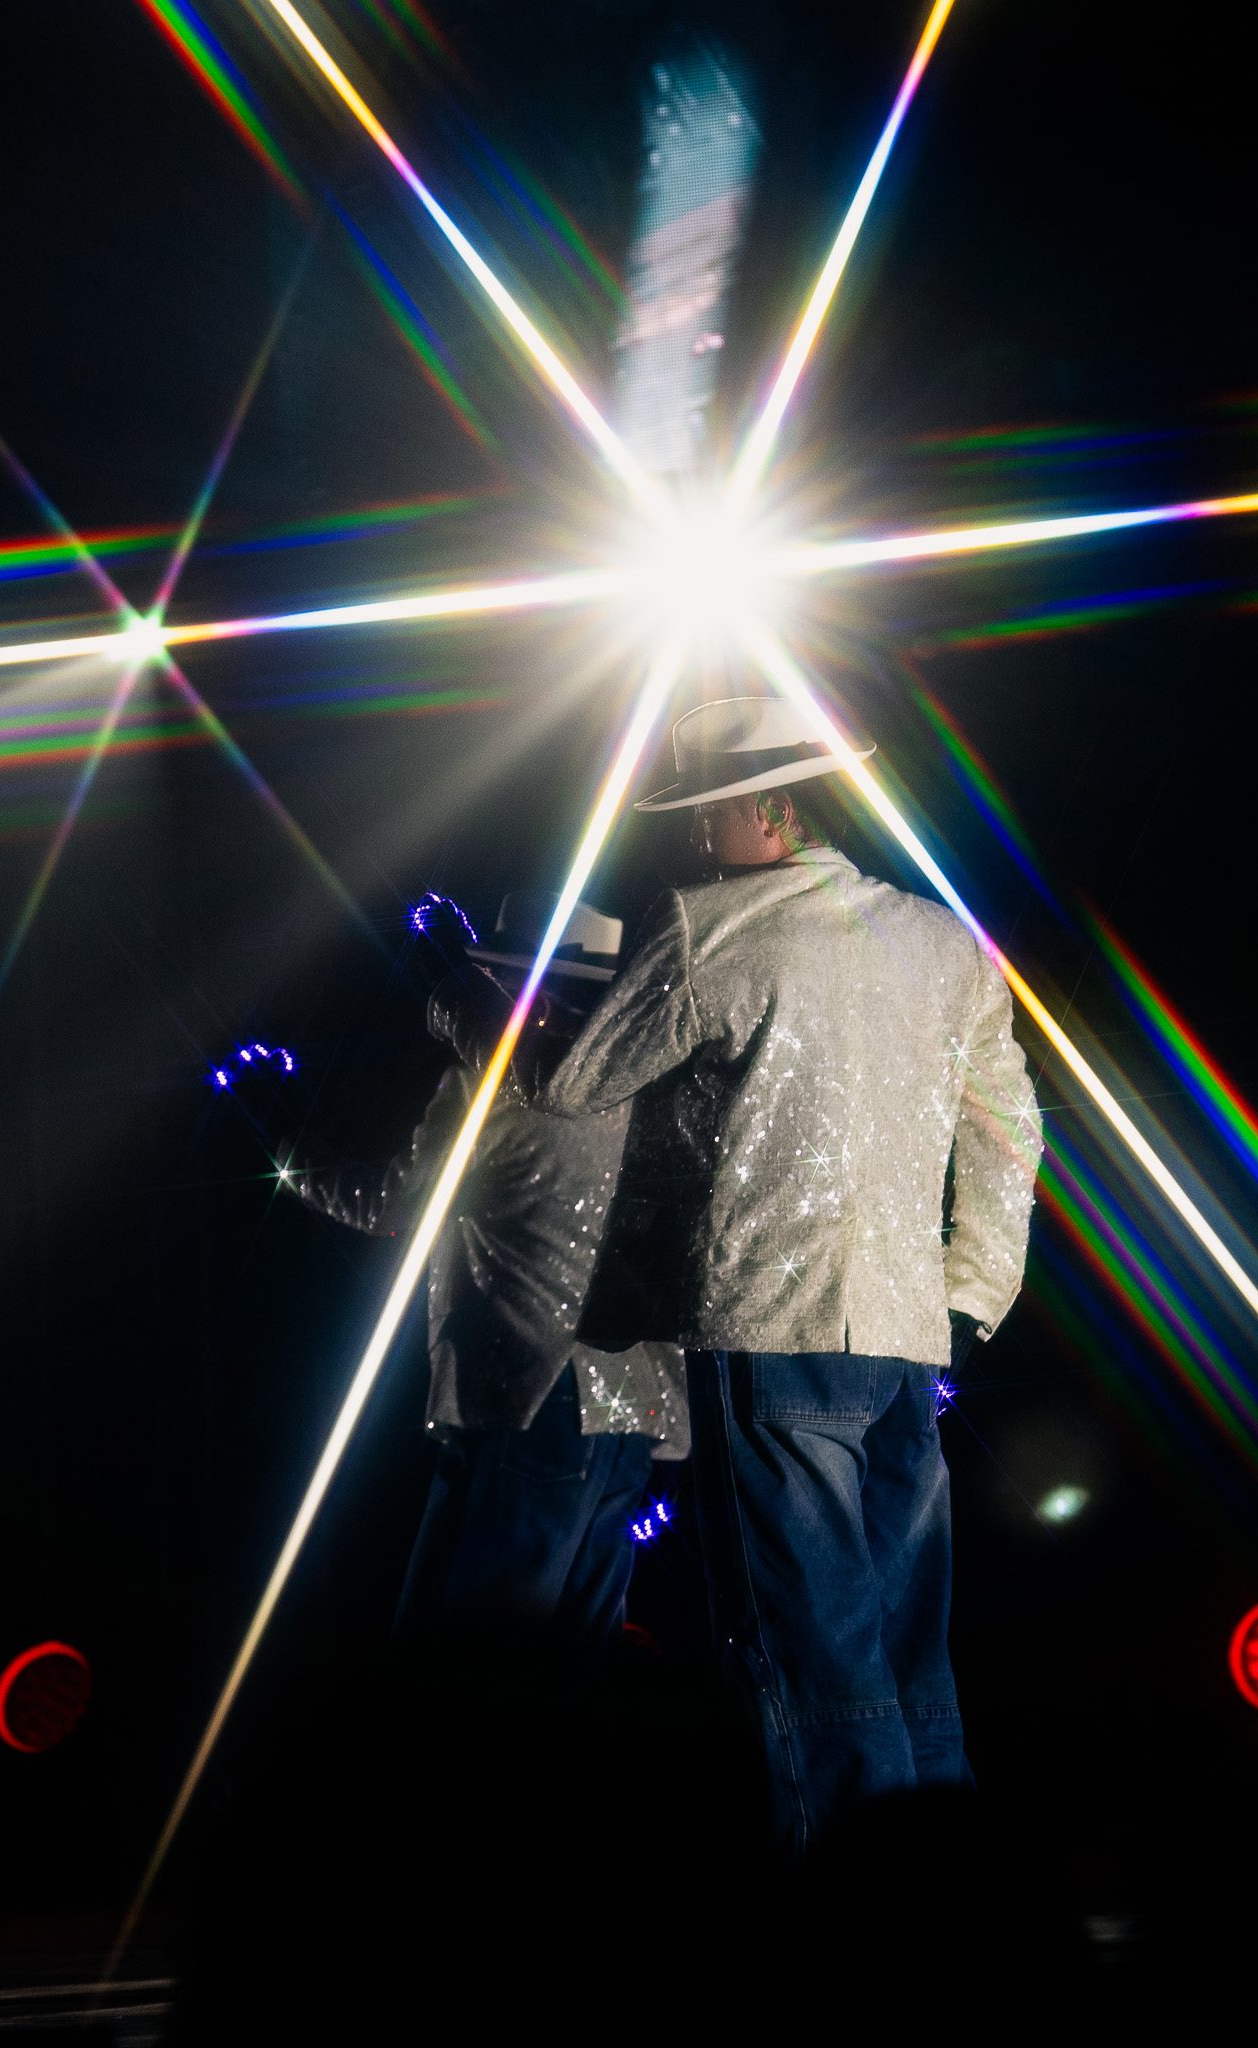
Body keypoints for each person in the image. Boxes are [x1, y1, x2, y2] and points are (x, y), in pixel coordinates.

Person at [537, 696, 1043, 1848]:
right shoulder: (943, 942)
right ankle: (952, 1904)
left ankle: (848, 1914)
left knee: (811, 1657)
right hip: (906, 1339)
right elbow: (1009, 1128)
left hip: (767, 1329)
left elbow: (572, 1085)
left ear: (770, 805)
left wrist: (478, 1005)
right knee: (912, 1659)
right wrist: (974, 1292)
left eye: (707, 807)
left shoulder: (705, 926)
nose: (694, 831)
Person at [277, 893, 687, 1676]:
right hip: (637, 1407)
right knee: (575, 1671)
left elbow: (392, 1206)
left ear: (526, 991)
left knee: (473, 1665)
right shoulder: (653, 1086)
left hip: (530, 1396)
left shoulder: (491, 1087)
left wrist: (280, 1143)